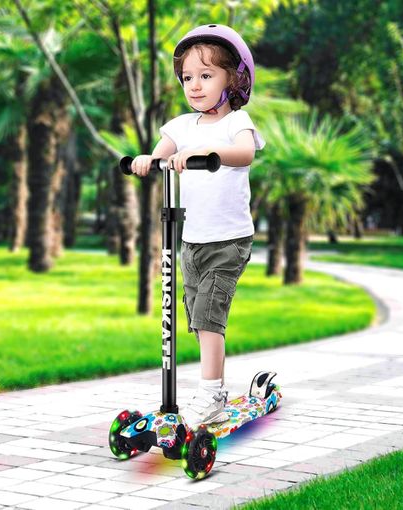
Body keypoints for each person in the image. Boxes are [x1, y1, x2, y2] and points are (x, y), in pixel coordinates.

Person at [130, 24, 265, 428]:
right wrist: (147, 160)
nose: (194, 85)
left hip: (229, 241)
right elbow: (163, 153)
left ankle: (211, 396)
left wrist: (208, 151)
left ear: (234, 79)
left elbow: (243, 155)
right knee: (189, 316)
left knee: (207, 317)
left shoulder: (236, 123)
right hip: (190, 241)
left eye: (206, 76)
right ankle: (195, 392)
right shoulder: (181, 126)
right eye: (188, 77)